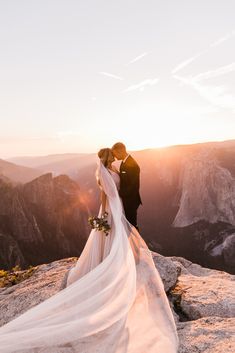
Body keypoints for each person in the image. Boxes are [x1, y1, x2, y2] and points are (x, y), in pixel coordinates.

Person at [0, 147, 179, 353]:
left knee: (118, 236)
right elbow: (107, 194)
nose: (114, 156)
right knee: (118, 235)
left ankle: (114, 256)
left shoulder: (113, 168)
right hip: (115, 207)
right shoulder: (106, 171)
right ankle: (115, 260)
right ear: (108, 158)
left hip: (116, 207)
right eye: (112, 155)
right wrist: (107, 213)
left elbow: (118, 190)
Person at [111, 142, 142, 230]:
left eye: (115, 153)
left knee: (132, 226)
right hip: (127, 199)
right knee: (128, 225)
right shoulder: (125, 162)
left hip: (131, 201)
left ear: (120, 151)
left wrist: (118, 194)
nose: (114, 156)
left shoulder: (132, 164)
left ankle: (136, 243)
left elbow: (133, 186)